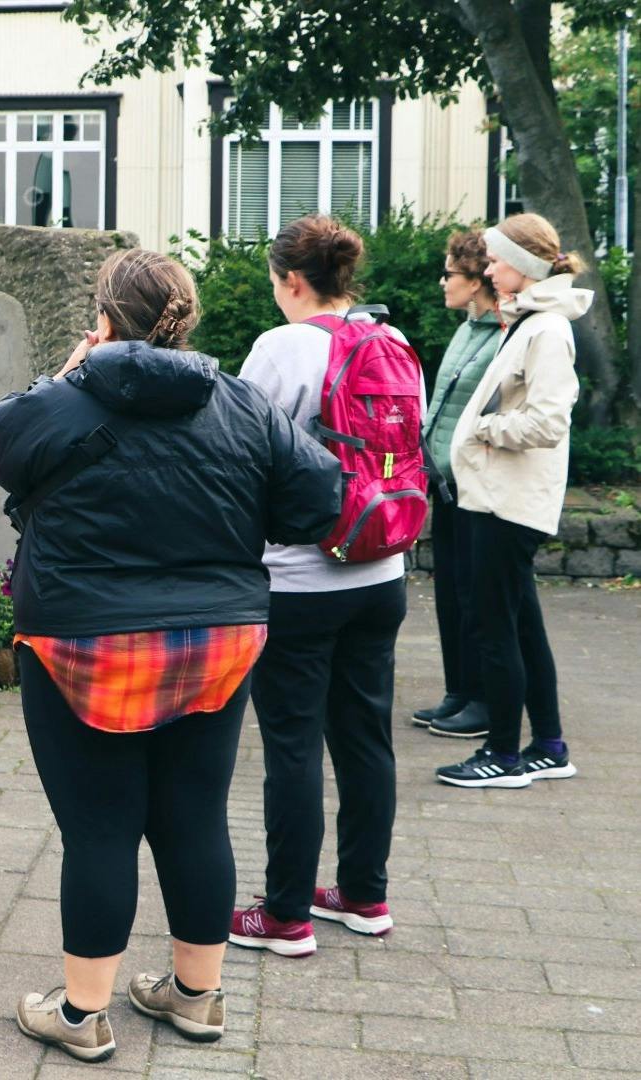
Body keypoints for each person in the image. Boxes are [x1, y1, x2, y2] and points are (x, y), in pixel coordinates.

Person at [0, 248, 340, 1062]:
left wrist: (69, 373)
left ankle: (82, 1014)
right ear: (189, 317)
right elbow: (319, 500)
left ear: (101, 321)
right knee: (195, 814)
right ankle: (197, 998)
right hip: (217, 638)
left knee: (100, 828)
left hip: (82, 643)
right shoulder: (242, 404)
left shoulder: (66, 405)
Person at [230, 216, 416, 958]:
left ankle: (285, 916)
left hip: (300, 578)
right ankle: (365, 896)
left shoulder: (281, 348)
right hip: (382, 568)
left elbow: (238, 449)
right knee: (366, 738)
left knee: (294, 747)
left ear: (292, 281)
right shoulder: (393, 343)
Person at [435, 213, 585, 788]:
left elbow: (548, 421)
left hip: (506, 502)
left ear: (522, 266)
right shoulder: (532, 321)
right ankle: (547, 745)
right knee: (521, 628)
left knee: (496, 630)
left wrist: (483, 430)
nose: (487, 267)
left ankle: (501, 755)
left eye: (495, 260)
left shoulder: (545, 329)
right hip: (500, 497)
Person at [416, 230, 503, 738]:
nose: (442, 281)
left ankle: (483, 699)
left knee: (474, 594)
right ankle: (458, 690)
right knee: (449, 589)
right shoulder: (468, 329)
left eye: (450, 273)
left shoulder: (502, 334)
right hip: (445, 482)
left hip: (477, 485)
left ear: (475, 282)